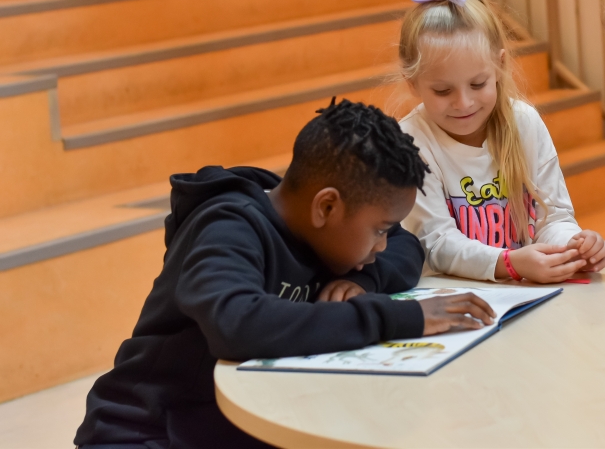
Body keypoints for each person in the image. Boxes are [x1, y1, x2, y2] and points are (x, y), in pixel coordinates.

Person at [74, 98, 495, 449]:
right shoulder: (226, 227)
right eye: (378, 230)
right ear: (326, 208)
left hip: (240, 429)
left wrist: (362, 281)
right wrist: (401, 317)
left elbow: (408, 246)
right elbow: (237, 324)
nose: (382, 245)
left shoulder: (330, 237)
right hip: (144, 432)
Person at [397, 0, 605, 283]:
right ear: (412, 83)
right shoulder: (411, 141)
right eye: (443, 91)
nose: (464, 102)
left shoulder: (524, 122)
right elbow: (436, 244)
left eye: (478, 83)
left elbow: (553, 218)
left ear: (498, 66)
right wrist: (508, 263)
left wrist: (574, 247)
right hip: (454, 302)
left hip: (522, 297)